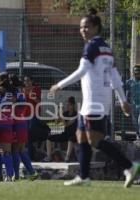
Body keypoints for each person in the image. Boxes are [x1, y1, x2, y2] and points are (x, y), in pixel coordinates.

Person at [50, 8, 140, 187]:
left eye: (87, 27)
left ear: (97, 28)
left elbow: (82, 71)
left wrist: (59, 85)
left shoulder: (91, 46)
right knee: (80, 136)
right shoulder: (106, 48)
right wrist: (122, 100)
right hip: (97, 101)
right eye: (82, 27)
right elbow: (115, 77)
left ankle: (129, 166)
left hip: (94, 101)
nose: (83, 30)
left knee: (94, 140)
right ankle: (84, 177)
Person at [44, 96, 78, 162]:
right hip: (64, 132)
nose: (68, 106)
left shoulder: (75, 114)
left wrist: (62, 116)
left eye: (69, 105)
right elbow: (56, 123)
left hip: (72, 133)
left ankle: (67, 157)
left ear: (73, 105)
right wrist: (59, 113)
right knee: (49, 137)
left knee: (71, 137)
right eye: (67, 105)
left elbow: (66, 124)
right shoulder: (65, 113)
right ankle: (49, 156)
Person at [23, 75, 42, 160]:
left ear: (31, 81)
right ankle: (28, 155)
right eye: (25, 81)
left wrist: (29, 94)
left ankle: (31, 155)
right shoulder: (23, 89)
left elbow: (38, 101)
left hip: (34, 114)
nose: (26, 82)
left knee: (30, 134)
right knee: (26, 135)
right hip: (24, 114)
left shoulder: (36, 88)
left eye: (27, 80)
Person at [126, 64, 140, 139]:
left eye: (138, 72)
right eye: (135, 72)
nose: (137, 73)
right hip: (134, 106)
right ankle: (138, 136)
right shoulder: (130, 82)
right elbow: (125, 90)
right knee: (135, 123)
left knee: (139, 121)